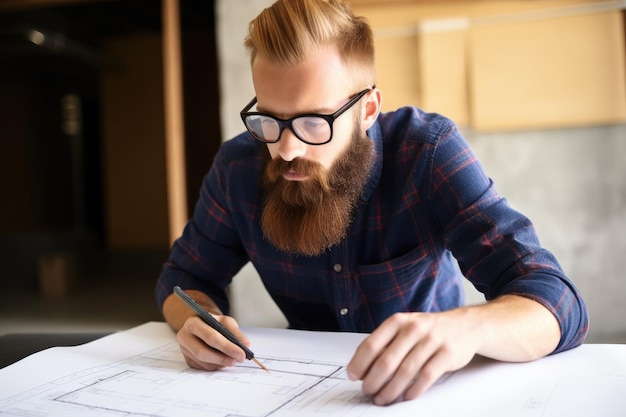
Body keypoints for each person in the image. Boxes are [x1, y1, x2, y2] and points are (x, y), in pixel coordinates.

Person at [156, 0, 589, 406]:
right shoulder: (238, 167)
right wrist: (198, 319)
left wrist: (467, 328)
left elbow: (556, 300)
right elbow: (184, 277)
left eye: (312, 122)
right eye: (269, 119)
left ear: (367, 110)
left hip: (430, 393)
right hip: (300, 393)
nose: (285, 150)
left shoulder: (428, 152)